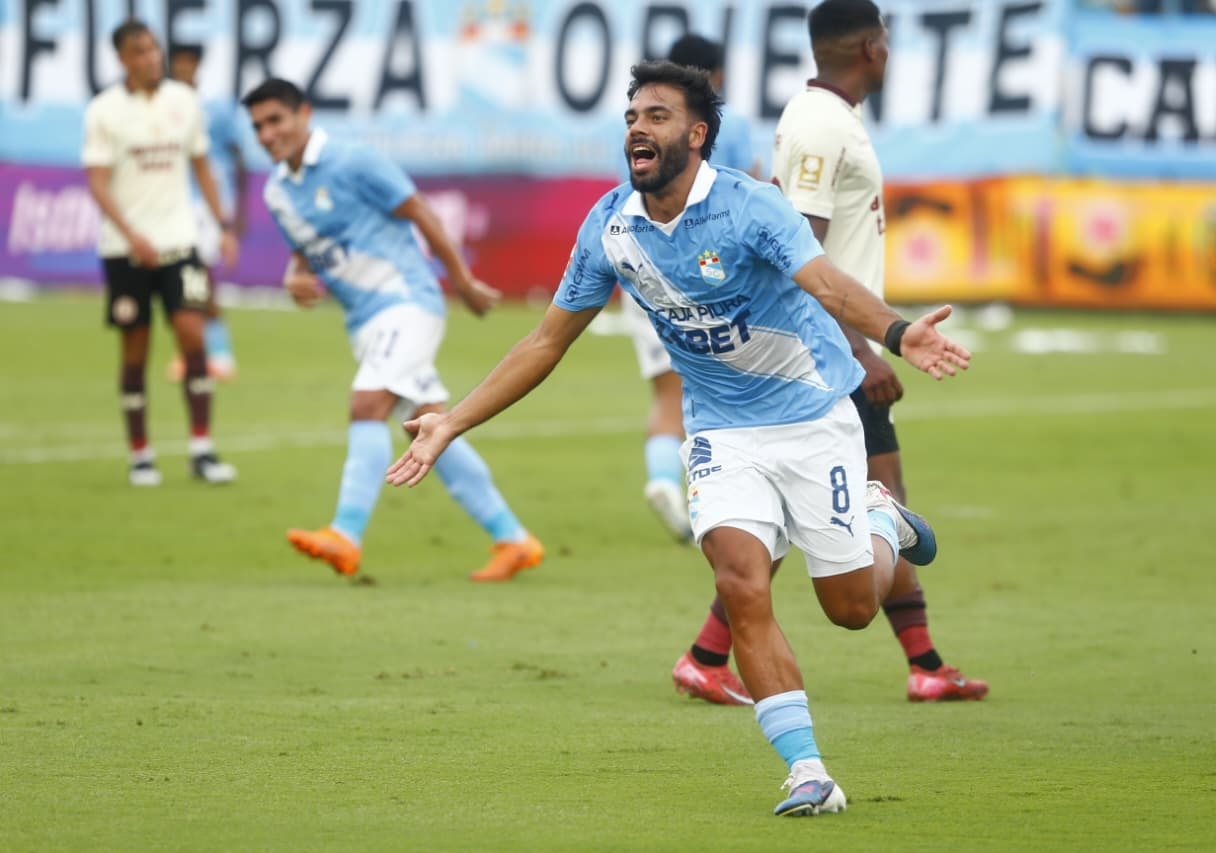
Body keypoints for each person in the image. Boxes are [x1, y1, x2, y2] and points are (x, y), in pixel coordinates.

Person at [386, 60, 970, 816]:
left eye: (657, 115)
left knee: (851, 607)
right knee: (740, 582)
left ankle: (879, 517)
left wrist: (897, 332)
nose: (637, 126)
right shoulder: (610, 227)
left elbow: (825, 284)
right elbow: (544, 341)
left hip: (810, 415)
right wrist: (451, 419)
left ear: (696, 135)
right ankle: (807, 772)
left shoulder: (751, 207)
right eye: (632, 115)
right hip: (721, 431)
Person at [675, 0, 989, 706]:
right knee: (875, 509)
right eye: (886, 42)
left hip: (834, 347)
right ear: (871, 47)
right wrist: (864, 347)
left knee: (812, 515)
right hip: (827, 355)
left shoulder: (830, 118)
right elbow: (798, 251)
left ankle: (919, 662)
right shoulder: (819, 124)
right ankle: (922, 663)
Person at [242, 78, 543, 582]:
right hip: (364, 322)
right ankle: (512, 538)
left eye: (276, 120)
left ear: (304, 114)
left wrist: (462, 280)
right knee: (432, 426)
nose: (268, 134)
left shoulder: (353, 161)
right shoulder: (277, 191)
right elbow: (304, 245)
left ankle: (345, 533)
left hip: (407, 303)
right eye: (258, 127)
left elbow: (420, 211)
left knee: (366, 404)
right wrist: (295, 276)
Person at [82, 19, 237, 487]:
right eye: (141, 52)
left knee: (193, 335)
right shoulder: (104, 110)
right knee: (135, 351)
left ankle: (202, 449)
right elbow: (97, 182)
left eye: (154, 49)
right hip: (125, 251)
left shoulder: (184, 102)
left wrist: (223, 223)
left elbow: (202, 166)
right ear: (123, 59)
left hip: (179, 243)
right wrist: (132, 236)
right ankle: (141, 455)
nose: (153, 58)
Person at [625, 33, 763, 546]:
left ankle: (664, 478)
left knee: (666, 393)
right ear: (719, 78)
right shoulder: (735, 125)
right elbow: (754, 190)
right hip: (711, 270)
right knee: (723, 388)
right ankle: (722, 496)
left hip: (644, 263)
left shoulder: (644, 122)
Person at [166, 44, 247, 381]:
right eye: (178, 63)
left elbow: (238, 157)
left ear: (197, 65)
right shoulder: (164, 105)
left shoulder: (215, 107)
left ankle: (220, 352)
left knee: (202, 276)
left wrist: (238, 212)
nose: (184, 69)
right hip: (172, 202)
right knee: (180, 279)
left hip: (209, 204)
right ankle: (193, 350)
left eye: (189, 63)